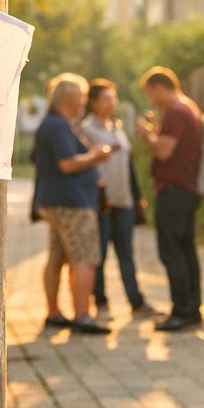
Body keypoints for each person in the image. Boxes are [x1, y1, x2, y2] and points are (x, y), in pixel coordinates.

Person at [33, 72, 112, 334]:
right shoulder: (58, 126)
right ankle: (82, 316)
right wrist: (95, 156)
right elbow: (67, 163)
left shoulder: (53, 124)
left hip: (56, 200)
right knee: (85, 257)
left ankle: (55, 313)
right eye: (83, 98)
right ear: (73, 99)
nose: (84, 104)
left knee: (57, 256)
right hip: (72, 203)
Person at [136, 65, 203, 332]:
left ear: (161, 87)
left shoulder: (176, 112)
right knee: (186, 250)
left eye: (151, 94)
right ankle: (192, 308)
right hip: (186, 189)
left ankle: (182, 310)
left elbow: (164, 152)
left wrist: (146, 134)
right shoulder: (189, 108)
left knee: (172, 251)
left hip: (174, 190)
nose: (151, 101)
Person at [77, 79, 151, 317]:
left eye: (114, 97)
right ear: (94, 102)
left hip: (124, 200)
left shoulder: (117, 127)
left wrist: (138, 195)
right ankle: (101, 303)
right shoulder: (86, 130)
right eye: (107, 98)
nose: (112, 102)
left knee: (126, 253)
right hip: (101, 202)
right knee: (99, 255)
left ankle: (136, 302)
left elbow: (128, 165)